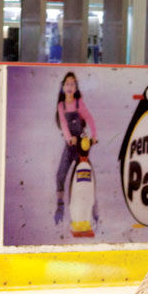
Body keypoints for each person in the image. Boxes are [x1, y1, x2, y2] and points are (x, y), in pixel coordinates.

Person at [54, 72, 97, 224]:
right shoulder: (61, 106)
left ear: (76, 87)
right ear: (62, 87)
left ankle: (93, 209)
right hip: (70, 145)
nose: (69, 87)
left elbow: (89, 118)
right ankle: (60, 205)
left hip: (81, 146)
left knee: (88, 176)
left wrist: (94, 135)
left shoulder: (79, 104)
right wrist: (68, 138)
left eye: (72, 84)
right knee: (60, 175)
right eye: (67, 84)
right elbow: (64, 125)